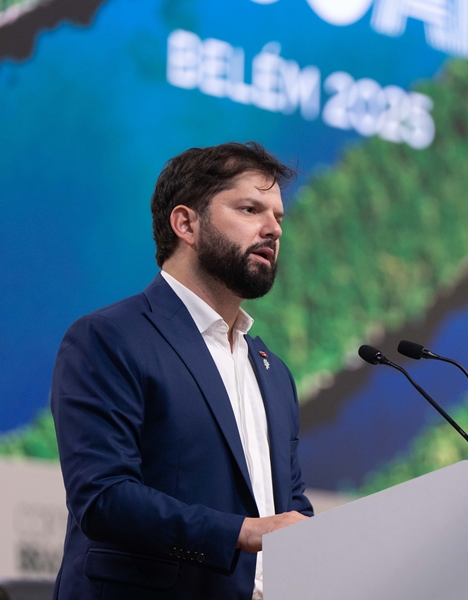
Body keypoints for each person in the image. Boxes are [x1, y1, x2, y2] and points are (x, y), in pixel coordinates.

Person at [50, 141, 313, 600]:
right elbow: (104, 497)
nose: (273, 229)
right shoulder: (109, 338)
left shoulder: (273, 372)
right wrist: (242, 532)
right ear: (186, 223)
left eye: (278, 217)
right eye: (250, 209)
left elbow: (290, 510)